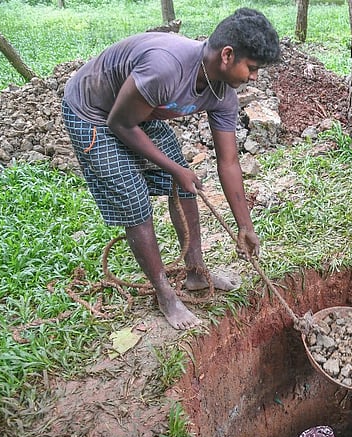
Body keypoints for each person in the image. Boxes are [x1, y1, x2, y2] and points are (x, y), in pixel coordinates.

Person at [61, 9, 281, 330]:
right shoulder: (166, 68)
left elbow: (229, 161)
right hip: (94, 113)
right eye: (252, 68)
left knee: (186, 185)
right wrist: (176, 169)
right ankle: (165, 294)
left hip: (140, 111)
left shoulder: (223, 94)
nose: (254, 77)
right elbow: (120, 123)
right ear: (227, 55)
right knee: (135, 202)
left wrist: (244, 226)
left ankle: (196, 272)